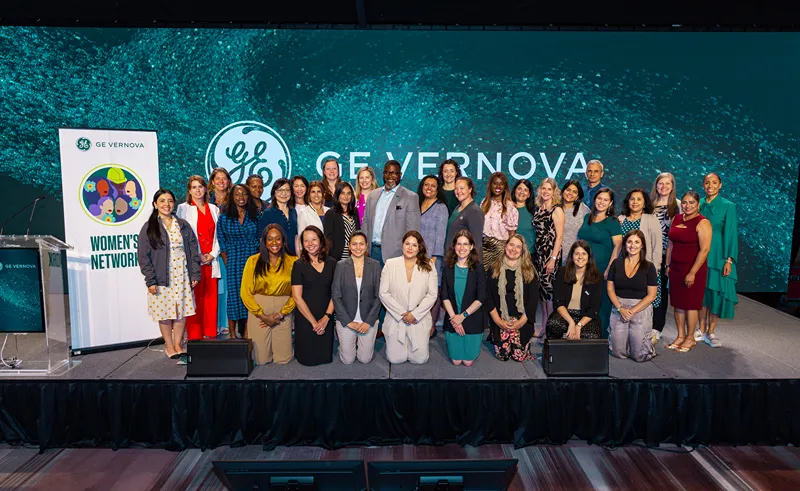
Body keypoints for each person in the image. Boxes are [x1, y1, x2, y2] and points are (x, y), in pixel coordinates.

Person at [137, 189, 201, 361]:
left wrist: (195, 273)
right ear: (155, 204)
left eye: (170, 201)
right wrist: (151, 281)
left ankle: (178, 344)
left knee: (181, 312)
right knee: (164, 313)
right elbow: (143, 257)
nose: (167, 204)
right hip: (162, 278)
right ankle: (169, 346)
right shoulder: (149, 228)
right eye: (162, 201)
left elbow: (193, 250)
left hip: (182, 274)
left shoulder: (183, 225)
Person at [241, 224, 297, 365]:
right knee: (261, 360)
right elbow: (245, 292)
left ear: (283, 241)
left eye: (278, 239)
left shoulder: (293, 262)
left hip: (283, 310)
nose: (274, 243)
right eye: (270, 239)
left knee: (283, 359)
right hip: (259, 310)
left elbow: (296, 293)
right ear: (264, 242)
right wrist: (262, 316)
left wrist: (282, 313)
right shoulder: (253, 261)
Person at [379, 231, 438, 364]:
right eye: (407, 244)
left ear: (419, 248)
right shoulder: (390, 264)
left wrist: (414, 314)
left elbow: (432, 294)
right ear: (402, 245)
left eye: (414, 245)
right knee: (395, 359)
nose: (410, 248)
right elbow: (383, 293)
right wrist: (402, 313)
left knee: (419, 359)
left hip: (418, 319)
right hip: (396, 318)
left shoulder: (428, 265)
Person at [666, 191, 712, 353]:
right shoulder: (676, 218)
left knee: (690, 305)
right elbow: (670, 244)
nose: (687, 205)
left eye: (691, 202)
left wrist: (692, 272)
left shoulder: (703, 222)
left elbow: (705, 250)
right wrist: (668, 265)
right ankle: (680, 335)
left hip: (693, 269)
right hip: (676, 268)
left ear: (698, 204)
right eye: (684, 202)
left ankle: (690, 337)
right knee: (678, 303)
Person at [176, 176, 220, 341]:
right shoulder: (183, 208)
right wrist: (198, 255)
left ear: (206, 189)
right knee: (194, 298)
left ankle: (210, 334)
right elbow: (182, 236)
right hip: (194, 260)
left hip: (211, 260)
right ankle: (194, 336)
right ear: (189, 190)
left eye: (200, 187)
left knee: (210, 298)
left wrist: (213, 254)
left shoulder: (214, 209)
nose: (198, 190)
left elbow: (219, 235)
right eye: (194, 187)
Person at [698, 172, 739, 348]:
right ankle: (700, 329)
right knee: (702, 294)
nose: (710, 186)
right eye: (707, 182)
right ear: (703, 185)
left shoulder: (728, 206)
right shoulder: (698, 203)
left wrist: (729, 260)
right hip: (700, 254)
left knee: (716, 293)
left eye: (714, 182)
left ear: (720, 185)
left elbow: (731, 233)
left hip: (719, 256)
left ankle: (711, 331)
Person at [216, 184, 260, 338]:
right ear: (232, 197)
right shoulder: (224, 217)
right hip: (233, 259)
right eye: (237, 194)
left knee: (251, 295)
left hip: (252, 258)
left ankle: (247, 332)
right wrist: (227, 262)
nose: (241, 197)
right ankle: (233, 334)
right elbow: (221, 240)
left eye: (244, 194)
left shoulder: (255, 215)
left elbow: (259, 238)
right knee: (234, 297)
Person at [577, 187, 623, 335]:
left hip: (603, 268)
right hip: (584, 267)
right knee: (585, 300)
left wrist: (610, 268)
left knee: (602, 303)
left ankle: (601, 335)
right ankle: (584, 331)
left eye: (605, 200)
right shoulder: (587, 218)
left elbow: (618, 246)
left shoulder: (612, 222)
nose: (601, 202)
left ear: (610, 203)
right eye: (599, 198)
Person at [487, 234, 539, 361]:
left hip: (522, 319)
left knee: (518, 357)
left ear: (522, 251)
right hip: (501, 317)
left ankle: (523, 345)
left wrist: (520, 322)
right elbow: (488, 298)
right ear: (505, 246)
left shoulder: (529, 271)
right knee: (503, 356)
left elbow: (532, 301)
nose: (513, 249)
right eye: (511, 245)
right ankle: (500, 338)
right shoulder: (494, 269)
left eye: (518, 247)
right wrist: (498, 321)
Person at [607, 230, 658, 362]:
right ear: (625, 244)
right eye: (629, 242)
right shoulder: (616, 263)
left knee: (639, 356)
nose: (632, 245)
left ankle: (648, 340)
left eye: (636, 242)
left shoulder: (649, 267)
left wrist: (632, 311)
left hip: (640, 308)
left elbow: (652, 296)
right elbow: (610, 289)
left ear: (642, 245)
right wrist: (620, 309)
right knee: (618, 353)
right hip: (620, 307)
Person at [618, 188, 663, 336]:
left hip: (645, 267)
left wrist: (655, 268)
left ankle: (646, 333)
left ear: (644, 203)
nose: (635, 202)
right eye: (632, 199)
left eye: (639, 199)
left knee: (646, 300)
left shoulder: (651, 219)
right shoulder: (621, 219)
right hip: (625, 267)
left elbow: (657, 245)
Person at [332, 232, 382, 364]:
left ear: (366, 246)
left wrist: (368, 322)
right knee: (348, 360)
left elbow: (379, 296)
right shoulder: (341, 266)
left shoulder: (375, 265)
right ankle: (345, 344)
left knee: (364, 359)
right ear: (349, 246)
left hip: (367, 320)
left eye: (361, 244)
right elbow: (336, 296)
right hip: (347, 319)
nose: (358, 247)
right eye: (354, 244)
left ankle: (358, 342)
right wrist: (348, 322)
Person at [291, 226, 336, 366]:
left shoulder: (332, 263)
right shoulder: (298, 265)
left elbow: (336, 293)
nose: (310, 244)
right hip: (306, 317)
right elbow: (297, 297)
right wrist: (314, 323)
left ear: (321, 240)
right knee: (307, 360)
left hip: (326, 315)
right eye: (306, 240)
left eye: (314, 239)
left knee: (325, 358)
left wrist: (326, 318)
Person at [362, 160, 422, 266]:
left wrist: (407, 255)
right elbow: (366, 223)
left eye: (394, 173)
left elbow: (412, 231)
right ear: (383, 174)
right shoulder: (373, 195)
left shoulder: (410, 197)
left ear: (400, 175)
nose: (390, 176)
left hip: (396, 254)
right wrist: (364, 248)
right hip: (372, 252)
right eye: (387, 172)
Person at [441, 230, 486, 366]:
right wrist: (455, 319)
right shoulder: (447, 268)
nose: (462, 248)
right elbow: (444, 296)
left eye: (466, 244)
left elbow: (481, 298)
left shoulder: (478, 268)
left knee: (467, 362)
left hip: (472, 319)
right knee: (456, 361)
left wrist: (463, 316)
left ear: (471, 246)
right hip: (453, 319)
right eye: (459, 244)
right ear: (454, 246)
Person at [545, 240, 603, 339]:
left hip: (585, 317)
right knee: (553, 324)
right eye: (576, 254)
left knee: (592, 335)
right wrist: (571, 322)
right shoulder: (562, 273)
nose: (580, 257)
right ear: (572, 257)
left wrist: (578, 326)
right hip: (565, 314)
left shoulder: (597, 277)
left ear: (589, 257)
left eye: (584, 254)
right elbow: (558, 302)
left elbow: (594, 307)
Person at [650, 172, 681, 342]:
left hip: (666, 256)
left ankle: (657, 327)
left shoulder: (678, 206)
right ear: (656, 185)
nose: (663, 187)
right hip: (647, 255)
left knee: (661, 291)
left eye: (667, 183)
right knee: (646, 290)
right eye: (660, 183)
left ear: (672, 186)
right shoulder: (649, 205)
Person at [417, 175, 449, 335]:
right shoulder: (417, 204)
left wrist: (434, 258)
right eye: (426, 184)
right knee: (419, 291)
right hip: (416, 256)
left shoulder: (441, 207)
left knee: (433, 292)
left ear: (438, 189)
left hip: (432, 258)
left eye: (433, 185)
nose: (429, 188)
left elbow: (441, 235)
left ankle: (431, 328)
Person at [533, 177, 565, 328]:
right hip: (539, 255)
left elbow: (559, 237)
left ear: (554, 192)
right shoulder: (539, 209)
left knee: (549, 292)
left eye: (549, 189)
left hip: (550, 255)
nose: (545, 191)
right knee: (543, 293)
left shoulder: (556, 210)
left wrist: (552, 259)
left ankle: (551, 328)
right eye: (543, 188)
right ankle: (544, 325)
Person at [480, 172, 519, 271]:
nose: (498, 186)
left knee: (497, 276)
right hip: (484, 248)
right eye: (495, 183)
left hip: (500, 249)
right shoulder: (484, 203)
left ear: (505, 187)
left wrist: (508, 251)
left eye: (501, 184)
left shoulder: (510, 207)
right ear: (490, 185)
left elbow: (512, 234)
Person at [445, 176, 485, 261]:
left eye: (462, 188)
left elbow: (476, 242)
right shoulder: (457, 208)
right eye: (456, 188)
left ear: (470, 189)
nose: (458, 191)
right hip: (452, 258)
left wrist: (474, 265)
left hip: (463, 262)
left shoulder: (474, 211)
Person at [258, 178, 298, 255]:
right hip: (275, 256)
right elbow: (262, 239)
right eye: (280, 190)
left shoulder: (293, 211)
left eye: (287, 190)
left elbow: (296, 237)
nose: (284, 193)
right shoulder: (268, 213)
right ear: (274, 193)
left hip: (292, 256)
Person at [324, 182, 361, 261]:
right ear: (337, 195)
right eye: (342, 193)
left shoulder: (354, 212)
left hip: (354, 255)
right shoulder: (331, 213)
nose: (346, 196)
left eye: (348, 193)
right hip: (337, 257)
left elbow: (358, 232)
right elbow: (328, 238)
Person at [560, 179, 590, 264]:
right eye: (568, 190)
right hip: (554, 255)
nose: (570, 193)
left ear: (577, 196)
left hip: (575, 257)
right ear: (563, 191)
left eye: (574, 192)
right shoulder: (554, 208)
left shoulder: (583, 209)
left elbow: (596, 219)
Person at [511, 179, 536, 256]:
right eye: (519, 189)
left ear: (529, 194)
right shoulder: (507, 209)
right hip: (510, 254)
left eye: (525, 190)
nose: (522, 192)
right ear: (515, 191)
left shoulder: (535, 212)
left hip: (529, 255)